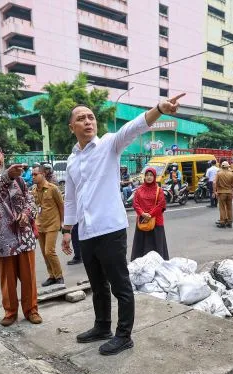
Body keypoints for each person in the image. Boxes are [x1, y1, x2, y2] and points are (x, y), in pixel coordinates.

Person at [61, 93, 185, 356]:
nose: (88, 121)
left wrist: (159, 109)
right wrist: (66, 230)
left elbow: (133, 128)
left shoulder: (109, 144)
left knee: (120, 285)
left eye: (91, 117)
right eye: (81, 118)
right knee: (97, 286)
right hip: (85, 231)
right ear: (72, 127)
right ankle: (102, 326)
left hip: (110, 229)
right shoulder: (72, 160)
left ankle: (124, 335)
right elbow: (70, 198)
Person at [0, 140, 41, 327]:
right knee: (7, 280)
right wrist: (6, 176)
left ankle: (31, 310)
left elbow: (31, 201)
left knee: (29, 278)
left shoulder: (19, 180)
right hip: (2, 240)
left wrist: (27, 214)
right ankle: (10, 312)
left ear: (2, 156)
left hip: (24, 237)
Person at [32, 164, 65, 286]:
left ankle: (59, 276)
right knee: (44, 253)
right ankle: (52, 276)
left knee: (49, 251)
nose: (33, 177)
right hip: (40, 224)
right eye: (32, 175)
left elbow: (61, 206)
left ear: (43, 174)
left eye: (35, 174)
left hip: (52, 224)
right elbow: (36, 207)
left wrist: (62, 222)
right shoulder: (34, 190)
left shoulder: (53, 188)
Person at [131, 167, 168, 260]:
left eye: (151, 175)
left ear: (154, 177)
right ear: (144, 177)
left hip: (156, 222)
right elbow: (135, 204)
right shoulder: (139, 190)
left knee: (157, 246)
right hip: (143, 221)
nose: (149, 177)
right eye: (147, 175)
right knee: (141, 246)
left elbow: (161, 204)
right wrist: (142, 213)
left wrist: (150, 214)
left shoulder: (159, 190)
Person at [214, 160, 233, 228]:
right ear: (228, 166)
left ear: (222, 166)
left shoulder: (219, 173)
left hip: (221, 193)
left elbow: (214, 182)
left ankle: (222, 222)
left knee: (222, 208)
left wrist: (215, 191)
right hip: (229, 193)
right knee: (229, 208)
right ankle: (230, 222)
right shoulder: (231, 174)